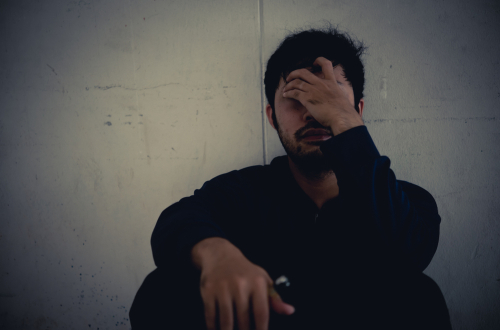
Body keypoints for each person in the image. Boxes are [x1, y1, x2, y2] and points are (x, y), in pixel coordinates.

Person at [130, 26, 452, 330]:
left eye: (329, 97)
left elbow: (409, 256)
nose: (312, 112)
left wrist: (344, 124)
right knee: (161, 289)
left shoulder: (406, 201)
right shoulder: (243, 192)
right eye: (296, 97)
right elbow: (179, 220)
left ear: (357, 111)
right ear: (272, 117)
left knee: (421, 295)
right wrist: (217, 256)